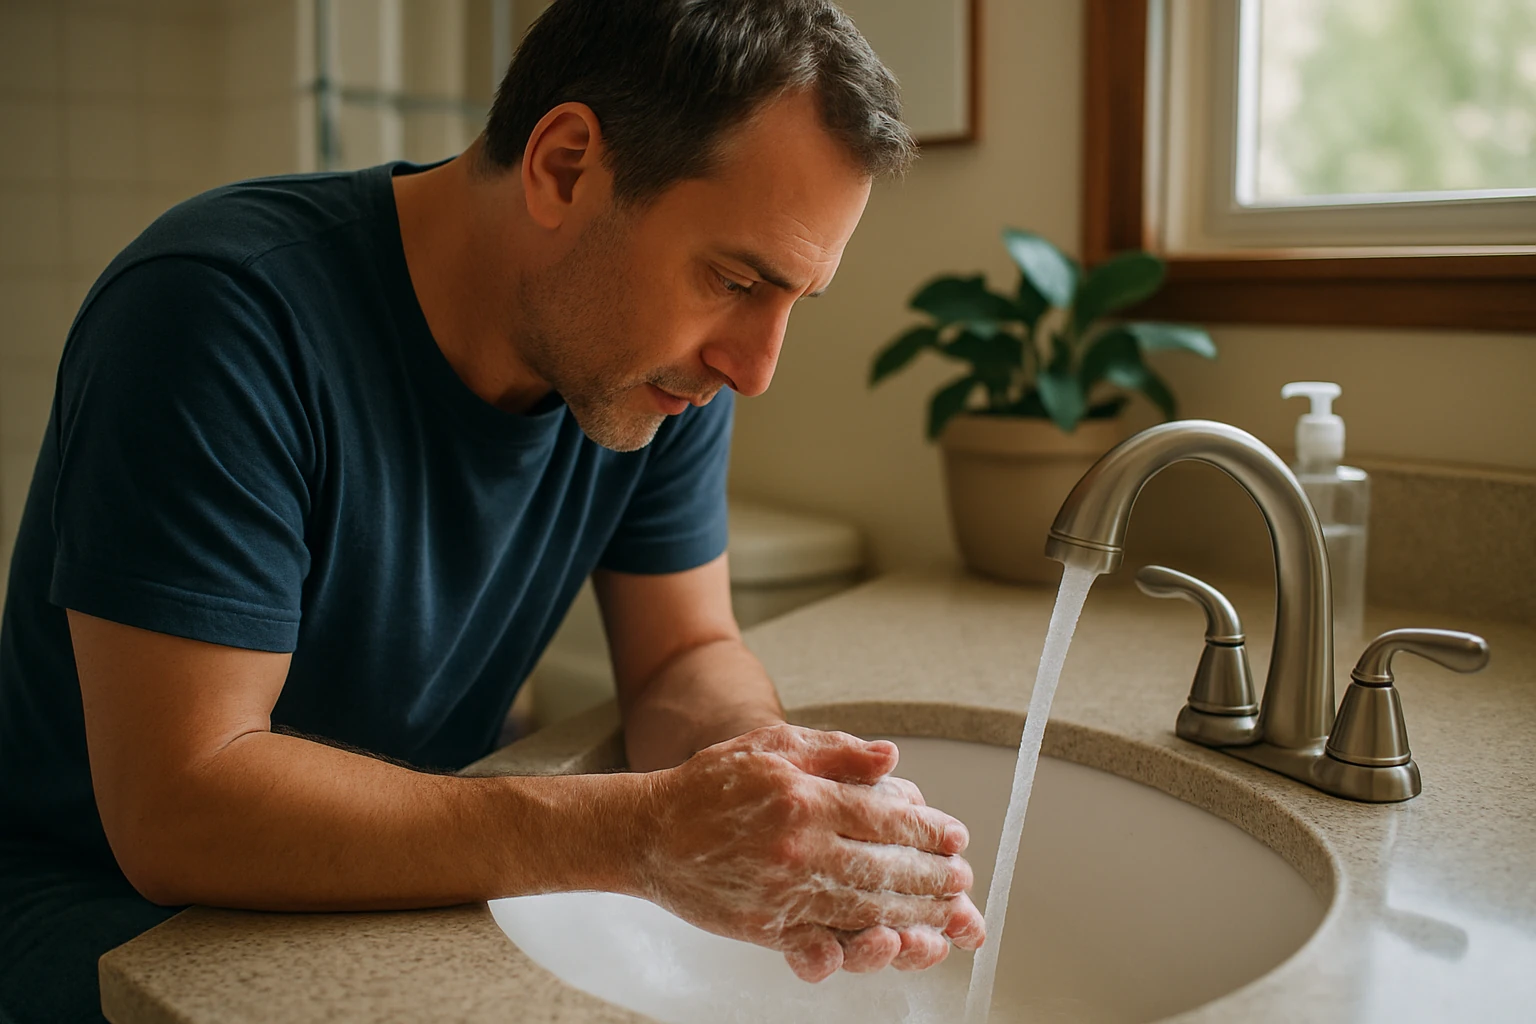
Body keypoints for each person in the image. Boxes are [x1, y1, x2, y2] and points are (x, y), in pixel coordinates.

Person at [0, 2, 986, 1020]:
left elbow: (682, 654)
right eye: (735, 279)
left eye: (790, 301)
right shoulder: (218, 314)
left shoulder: (660, 373)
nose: (756, 365)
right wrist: (641, 832)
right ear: (563, 165)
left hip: (412, 886)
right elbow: (180, 810)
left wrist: (764, 788)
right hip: (109, 924)